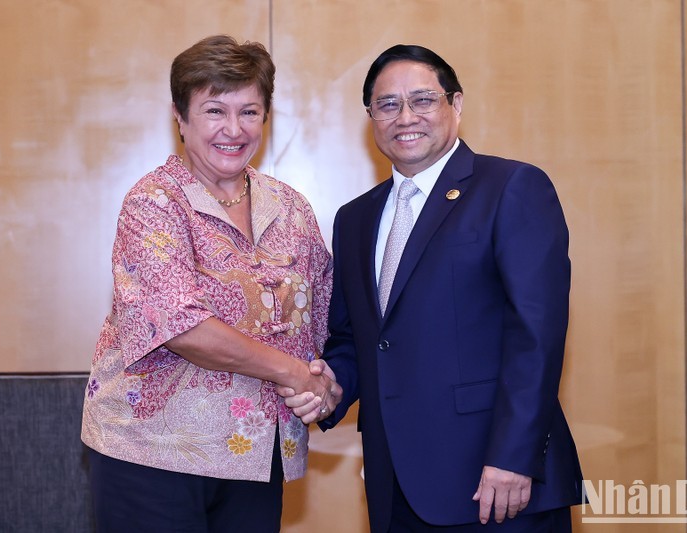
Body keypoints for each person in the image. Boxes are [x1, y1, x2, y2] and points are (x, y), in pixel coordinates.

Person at [280, 44, 583, 532]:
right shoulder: (355, 218)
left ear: (455, 105)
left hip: (495, 482)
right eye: (388, 104)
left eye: (423, 100)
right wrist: (330, 386)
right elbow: (355, 339)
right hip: (394, 484)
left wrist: (513, 456)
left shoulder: (511, 188)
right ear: (371, 117)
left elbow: (537, 336)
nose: (406, 117)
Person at [81, 35, 340, 532]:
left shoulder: (290, 207)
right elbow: (181, 325)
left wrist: (328, 383)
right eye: (214, 110)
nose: (233, 129)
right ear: (180, 117)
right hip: (152, 451)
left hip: (255, 450)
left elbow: (326, 312)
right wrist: (294, 373)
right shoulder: (153, 203)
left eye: (249, 111)